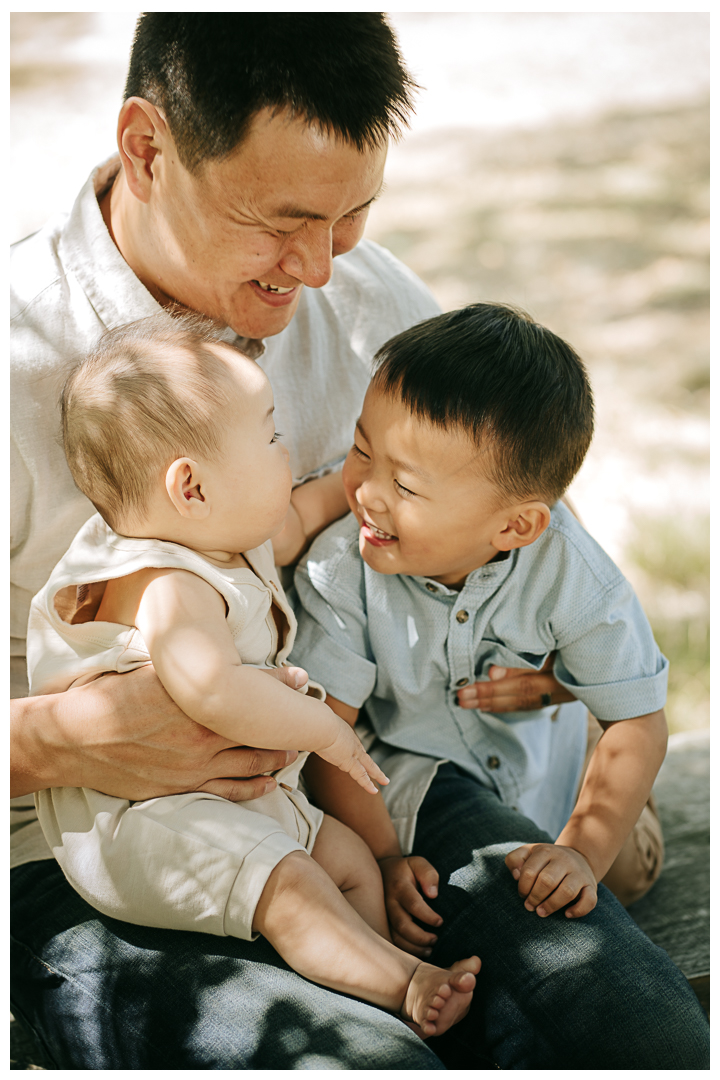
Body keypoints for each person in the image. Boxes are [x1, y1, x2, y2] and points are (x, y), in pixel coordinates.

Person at [10, 12, 699, 1070]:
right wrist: (58, 741)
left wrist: (561, 668)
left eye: (352, 216)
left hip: (372, 794)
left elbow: (532, 543)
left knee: (630, 1028)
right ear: (148, 149)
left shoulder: (368, 304)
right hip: (87, 855)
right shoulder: (18, 355)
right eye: (282, 222)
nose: (323, 270)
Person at [28, 313, 480, 1037]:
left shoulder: (221, 537)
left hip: (228, 800)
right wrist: (323, 732)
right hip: (149, 820)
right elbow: (210, 689)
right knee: (294, 885)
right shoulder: (166, 584)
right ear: (193, 488)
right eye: (270, 434)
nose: (288, 447)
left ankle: (375, 964)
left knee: (350, 859)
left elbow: (304, 510)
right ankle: (400, 987)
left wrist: (359, 483)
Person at [290, 303, 709, 1063]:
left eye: (406, 487)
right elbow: (331, 736)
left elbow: (641, 722)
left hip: (551, 766)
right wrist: (384, 855)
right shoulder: (339, 568)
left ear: (515, 527)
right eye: (360, 451)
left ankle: (601, 774)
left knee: (624, 871)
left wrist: (582, 848)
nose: (368, 494)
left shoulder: (573, 576)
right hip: (422, 766)